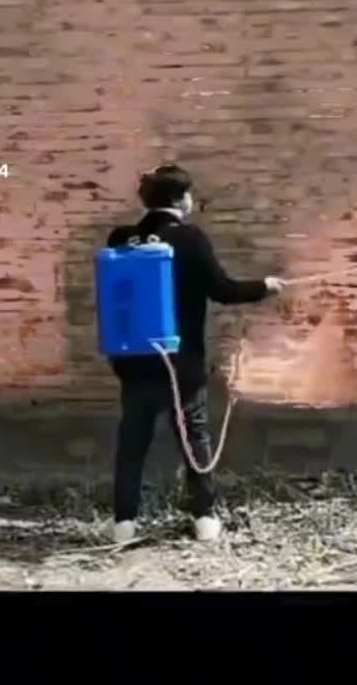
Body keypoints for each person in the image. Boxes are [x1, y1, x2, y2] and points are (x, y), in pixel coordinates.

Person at [107, 164, 284, 544]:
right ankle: (204, 518)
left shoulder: (121, 239)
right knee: (194, 440)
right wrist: (264, 286)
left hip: (134, 361)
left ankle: (124, 524)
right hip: (181, 362)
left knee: (132, 445)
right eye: (188, 194)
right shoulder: (189, 238)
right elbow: (222, 289)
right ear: (179, 199)